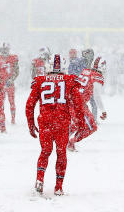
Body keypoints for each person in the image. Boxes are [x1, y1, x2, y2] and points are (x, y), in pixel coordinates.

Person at [26, 54, 86, 197]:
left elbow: (29, 104)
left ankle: (39, 179)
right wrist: (81, 123)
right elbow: (78, 104)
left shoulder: (40, 81)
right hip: (62, 122)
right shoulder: (69, 80)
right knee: (61, 153)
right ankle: (58, 187)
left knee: (45, 151)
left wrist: (31, 123)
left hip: (45, 121)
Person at [0, 43, 20, 125]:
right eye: (3, 49)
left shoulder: (13, 58)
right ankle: (1, 118)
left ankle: (13, 119)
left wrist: (12, 79)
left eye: (6, 49)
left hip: (10, 82)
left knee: (11, 101)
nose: (4, 51)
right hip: (1, 83)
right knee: (0, 102)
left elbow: (16, 71)